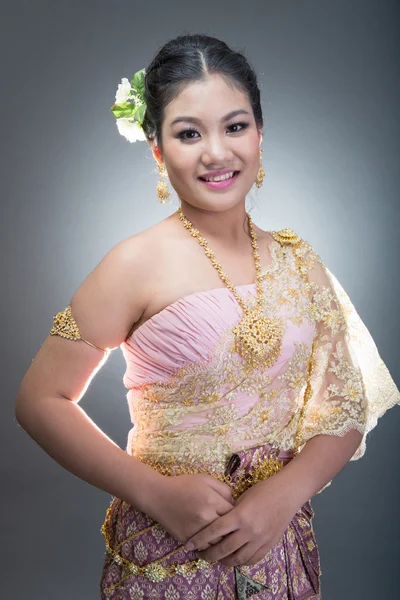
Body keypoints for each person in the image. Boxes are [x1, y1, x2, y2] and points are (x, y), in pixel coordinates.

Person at [15, 33, 400, 600]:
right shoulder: (132, 265)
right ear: (156, 149)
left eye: (236, 126)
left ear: (261, 135)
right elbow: (40, 400)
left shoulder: (300, 261)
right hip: (166, 554)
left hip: (276, 550)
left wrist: (287, 493)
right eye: (189, 133)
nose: (217, 153)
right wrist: (153, 493)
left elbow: (343, 407)